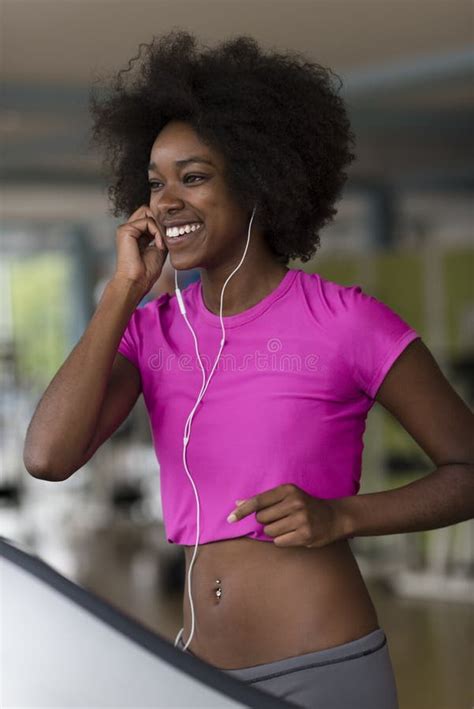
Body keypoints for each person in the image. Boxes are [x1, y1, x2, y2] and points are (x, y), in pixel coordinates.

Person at [23, 31, 474, 709]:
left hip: (325, 665)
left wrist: (344, 514)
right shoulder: (149, 331)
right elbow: (47, 457)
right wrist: (121, 291)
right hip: (197, 672)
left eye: (194, 177)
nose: (166, 201)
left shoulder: (346, 321)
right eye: (155, 183)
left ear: (258, 180)